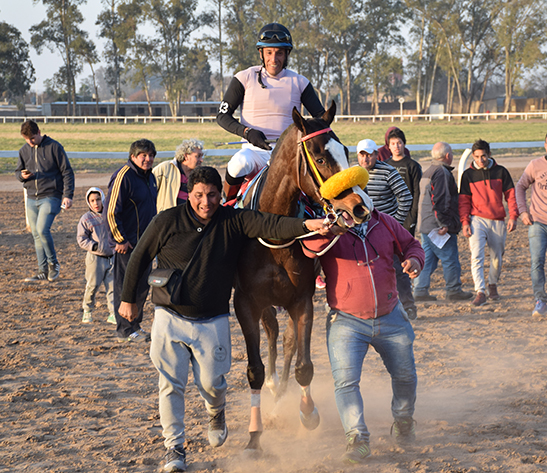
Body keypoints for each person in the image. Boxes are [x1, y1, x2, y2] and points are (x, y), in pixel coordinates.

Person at [117, 166, 334, 473]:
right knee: (170, 385)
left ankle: (215, 411)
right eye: (199, 196)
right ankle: (174, 449)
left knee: (212, 384)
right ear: (189, 194)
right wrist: (128, 300)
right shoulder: (166, 220)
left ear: (221, 195)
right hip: (169, 315)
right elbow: (140, 256)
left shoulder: (233, 221)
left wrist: (309, 224)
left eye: (212, 195)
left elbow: (272, 223)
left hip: (212, 320)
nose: (206, 202)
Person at [301, 207, 424, 464]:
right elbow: (309, 250)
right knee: (346, 382)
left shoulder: (385, 222)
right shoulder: (330, 228)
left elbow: (412, 244)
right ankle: (357, 438)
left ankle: (403, 419)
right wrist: (329, 229)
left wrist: (415, 261)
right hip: (346, 321)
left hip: (391, 315)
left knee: (405, 376)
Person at [216, 22, 325, 200]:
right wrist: (247, 132)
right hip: (254, 151)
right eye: (269, 52)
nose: (274, 59)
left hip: (289, 153)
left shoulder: (300, 82)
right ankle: (227, 206)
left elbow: (321, 118)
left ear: (287, 54)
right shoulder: (244, 78)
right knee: (238, 163)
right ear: (261, 53)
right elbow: (222, 116)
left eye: (279, 53)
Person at [357, 138, 416, 318]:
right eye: (362, 155)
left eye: (370, 155)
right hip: (362, 232)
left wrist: (394, 224)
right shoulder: (353, 174)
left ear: (376, 154)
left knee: (397, 267)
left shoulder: (388, 172)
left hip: (386, 230)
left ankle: (408, 305)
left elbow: (405, 197)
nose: (366, 159)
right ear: (358, 156)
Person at [107, 139, 158, 343]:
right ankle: (125, 330)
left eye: (151, 155)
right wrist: (119, 239)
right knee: (125, 286)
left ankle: (135, 326)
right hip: (128, 245)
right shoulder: (123, 176)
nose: (148, 159)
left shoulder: (150, 177)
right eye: (143, 155)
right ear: (133, 157)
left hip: (146, 243)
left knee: (142, 286)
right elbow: (111, 212)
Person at [459, 139, 518, 307]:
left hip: (498, 220)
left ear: (489, 154)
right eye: (477, 157)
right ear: (473, 156)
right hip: (476, 220)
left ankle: (493, 284)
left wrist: (513, 216)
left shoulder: (501, 172)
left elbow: (511, 196)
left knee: (497, 257)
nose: (480, 160)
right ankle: (480, 291)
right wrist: (465, 222)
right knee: (476, 256)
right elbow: (463, 201)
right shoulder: (468, 175)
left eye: (483, 156)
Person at [16, 119, 74, 282]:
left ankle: (53, 263)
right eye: (26, 139)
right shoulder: (24, 150)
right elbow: (17, 171)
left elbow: (67, 172)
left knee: (42, 230)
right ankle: (42, 271)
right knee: (36, 234)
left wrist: (68, 195)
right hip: (32, 197)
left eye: (32, 138)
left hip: (51, 195)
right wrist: (22, 176)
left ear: (39, 132)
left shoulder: (54, 147)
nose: (30, 142)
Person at [515, 129, 547, 316]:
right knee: (537, 262)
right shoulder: (535, 165)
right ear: (545, 145)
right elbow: (520, 186)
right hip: (538, 223)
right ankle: (540, 301)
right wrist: (523, 212)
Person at [413, 142, 472, 302]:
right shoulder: (442, 173)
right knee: (450, 258)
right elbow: (441, 200)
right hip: (438, 226)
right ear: (448, 156)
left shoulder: (428, 171)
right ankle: (453, 289)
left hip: (425, 225)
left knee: (428, 259)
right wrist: (444, 223)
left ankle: (420, 289)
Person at [76, 187, 116, 324]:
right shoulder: (86, 219)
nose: (96, 203)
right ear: (88, 202)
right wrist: (94, 246)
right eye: (92, 200)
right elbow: (81, 239)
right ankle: (87, 310)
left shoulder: (110, 214)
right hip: (95, 259)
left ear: (103, 199)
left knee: (112, 287)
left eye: (98, 199)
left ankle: (112, 313)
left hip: (112, 257)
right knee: (92, 285)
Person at [381, 127, 422, 235]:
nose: (396, 146)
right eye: (393, 143)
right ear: (388, 146)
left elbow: (417, 192)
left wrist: (413, 216)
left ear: (404, 144)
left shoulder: (413, 166)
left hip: (407, 216)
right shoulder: (384, 165)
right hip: (388, 215)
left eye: (399, 143)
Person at [153, 139, 205, 212]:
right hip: (167, 219)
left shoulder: (199, 175)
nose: (201, 160)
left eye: (202, 156)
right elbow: (149, 193)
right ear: (186, 156)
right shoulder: (165, 168)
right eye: (198, 156)